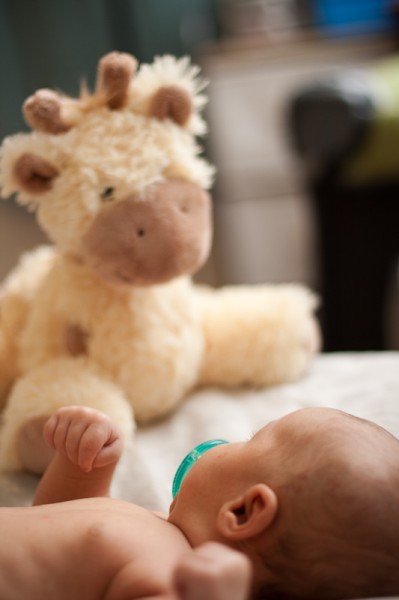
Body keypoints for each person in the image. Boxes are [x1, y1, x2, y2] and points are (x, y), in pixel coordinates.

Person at [1, 405, 399, 600]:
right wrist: (82, 466)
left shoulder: (173, 578)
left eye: (251, 441)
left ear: (243, 512)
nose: (228, 441)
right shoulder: (162, 530)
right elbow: (52, 529)